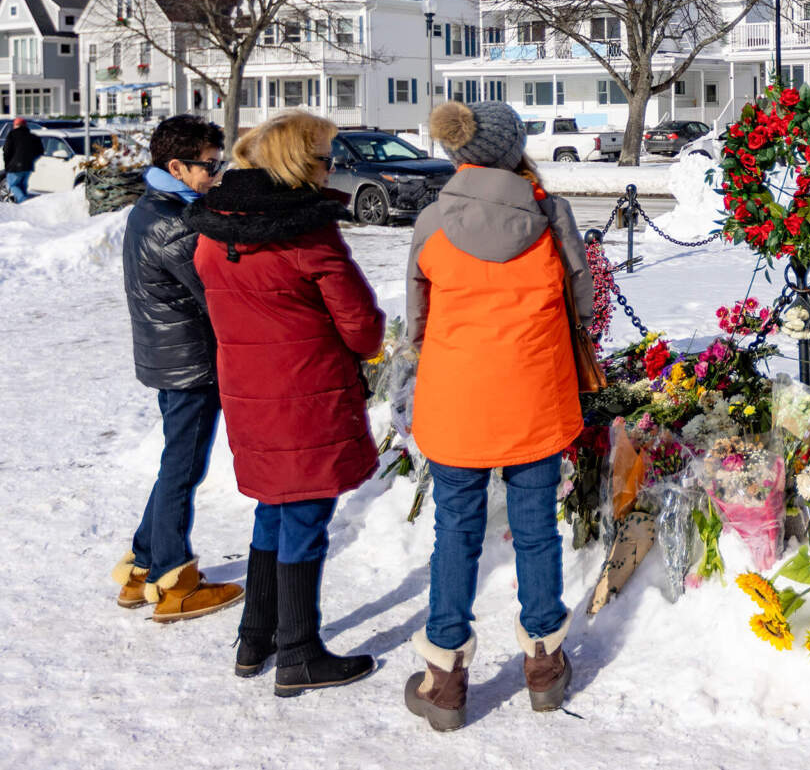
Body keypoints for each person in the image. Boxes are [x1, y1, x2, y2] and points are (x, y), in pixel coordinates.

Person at [400, 100, 592, 730]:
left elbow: (418, 321)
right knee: (536, 529)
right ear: (514, 150)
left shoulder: (432, 219)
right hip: (534, 396)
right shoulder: (547, 214)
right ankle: (543, 665)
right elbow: (581, 303)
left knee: (454, 533)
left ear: (459, 153)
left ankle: (444, 679)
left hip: (456, 400)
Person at [186, 112, 385, 696]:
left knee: (273, 507)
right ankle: (299, 652)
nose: (332, 167)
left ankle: (256, 637)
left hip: (249, 389)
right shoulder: (305, 234)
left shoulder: (212, 230)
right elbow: (363, 329)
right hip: (307, 393)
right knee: (303, 516)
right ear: (298, 164)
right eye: (324, 158)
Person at [109, 115, 242, 622]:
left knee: (177, 464)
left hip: (173, 357)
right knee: (182, 468)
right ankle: (174, 582)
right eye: (209, 166)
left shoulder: (159, 206)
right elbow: (218, 294)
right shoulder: (174, 222)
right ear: (176, 166)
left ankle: (143, 565)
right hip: (189, 365)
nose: (216, 173)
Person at [0, 117, 42, 203]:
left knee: (13, 185)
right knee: (23, 186)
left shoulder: (12, 135)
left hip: (14, 167)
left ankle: (24, 201)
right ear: (25, 125)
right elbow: (40, 151)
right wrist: (32, 159)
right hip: (28, 166)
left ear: (15, 125)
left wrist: (7, 164)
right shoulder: (32, 136)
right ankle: (24, 206)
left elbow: (7, 151)